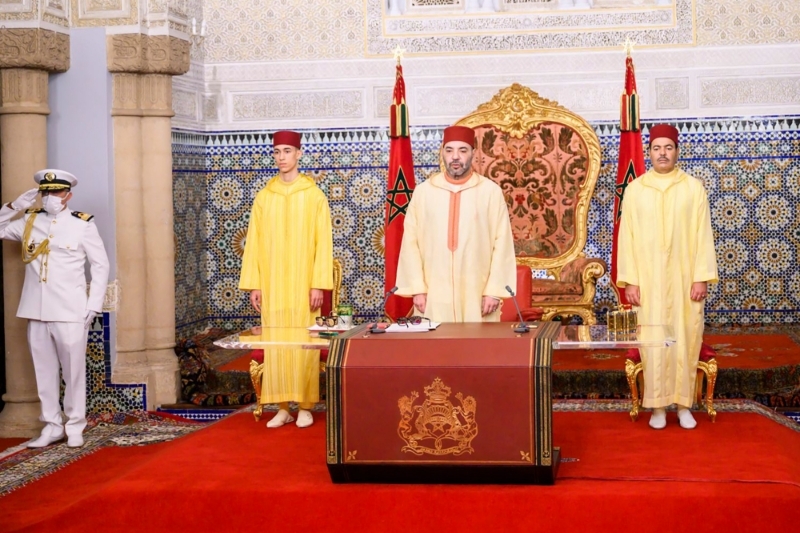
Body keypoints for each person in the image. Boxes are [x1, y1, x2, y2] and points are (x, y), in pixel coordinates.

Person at [617, 124, 718, 430]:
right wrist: (630, 280)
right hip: (648, 281)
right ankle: (658, 406)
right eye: (657, 148)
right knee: (652, 340)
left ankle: (684, 405)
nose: (663, 153)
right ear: (649, 152)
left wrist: (700, 276)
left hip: (686, 279)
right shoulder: (636, 189)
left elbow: (703, 235)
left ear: (676, 151)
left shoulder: (693, 188)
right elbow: (627, 237)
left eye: (668, 147)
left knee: (686, 337)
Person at [0, 169, 110, 448]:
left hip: (71, 309)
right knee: (44, 370)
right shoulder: (29, 220)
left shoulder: (82, 224)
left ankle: (75, 426)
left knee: (73, 370)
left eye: (57, 192)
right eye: (46, 192)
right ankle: (51, 425)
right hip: (36, 309)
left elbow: (100, 265)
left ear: (68, 195)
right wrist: (15, 206)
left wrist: (93, 305)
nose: (51, 197)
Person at [239, 130, 333, 429]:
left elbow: (324, 242)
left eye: (287, 151)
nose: (281, 157)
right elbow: (253, 242)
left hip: (304, 283)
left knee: (304, 342)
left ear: (299, 154)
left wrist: (318, 283)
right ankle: (281, 406)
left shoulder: (314, 195)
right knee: (277, 343)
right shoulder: (264, 197)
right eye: (277, 152)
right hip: (274, 283)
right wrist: (256, 283)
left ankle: (305, 405)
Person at [395, 125, 516, 322]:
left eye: (462, 150)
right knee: (436, 349)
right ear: (442, 153)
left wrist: (494, 290)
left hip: (477, 293)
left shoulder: (490, 192)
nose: (455, 157)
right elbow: (410, 243)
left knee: (477, 350)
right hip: (433, 293)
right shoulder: (424, 192)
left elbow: (503, 243)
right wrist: (417, 289)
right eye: (449, 150)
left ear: (473, 154)